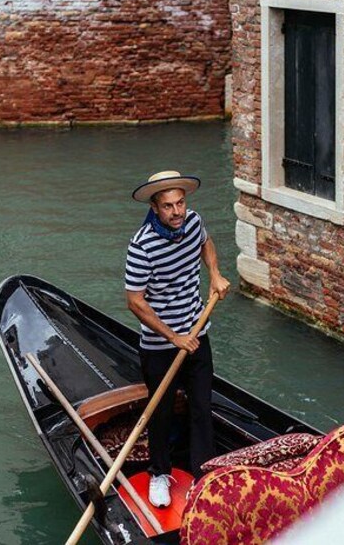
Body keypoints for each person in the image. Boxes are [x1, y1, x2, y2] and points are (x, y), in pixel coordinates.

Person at [124, 170, 230, 508]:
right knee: (162, 412)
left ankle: (204, 476)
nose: (177, 211)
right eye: (168, 206)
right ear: (155, 208)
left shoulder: (194, 222)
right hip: (159, 346)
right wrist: (174, 337)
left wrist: (214, 273)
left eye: (180, 203)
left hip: (198, 334)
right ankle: (159, 473)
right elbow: (135, 302)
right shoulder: (141, 246)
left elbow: (206, 243)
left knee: (202, 406)